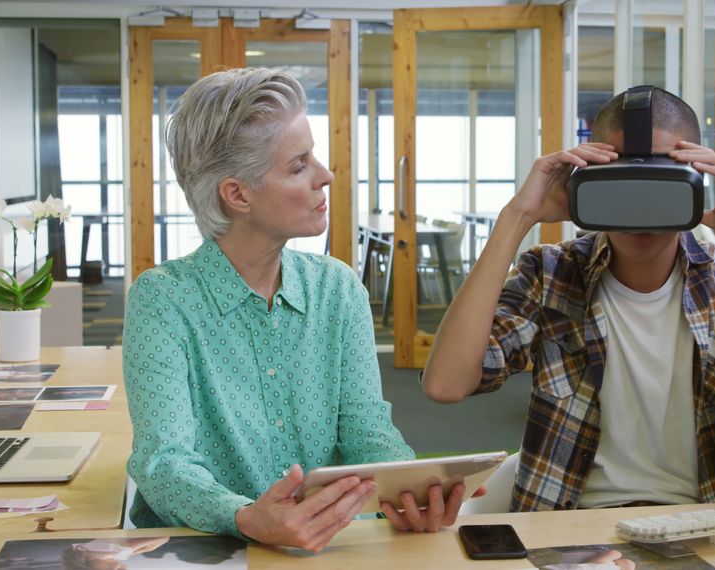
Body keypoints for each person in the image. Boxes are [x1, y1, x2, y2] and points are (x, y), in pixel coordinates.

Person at [421, 86, 715, 512]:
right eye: (621, 174)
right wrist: (518, 217)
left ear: (695, 176)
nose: (640, 198)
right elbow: (446, 384)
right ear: (587, 173)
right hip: (569, 531)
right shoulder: (550, 274)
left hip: (704, 526)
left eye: (661, 175)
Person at [122, 68, 474, 551]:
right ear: (238, 194)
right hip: (205, 551)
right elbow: (163, 463)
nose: (326, 176)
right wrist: (244, 517)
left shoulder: (338, 289)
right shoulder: (163, 300)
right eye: (298, 165)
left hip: (326, 550)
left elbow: (368, 433)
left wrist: (411, 490)